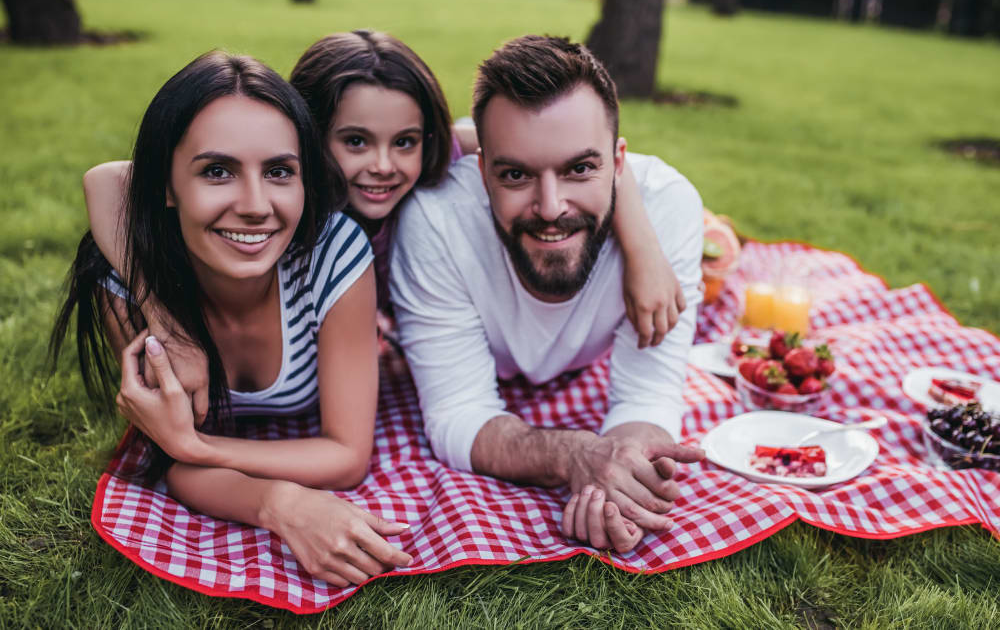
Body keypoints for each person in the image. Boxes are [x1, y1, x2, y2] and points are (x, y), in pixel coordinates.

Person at [82, 30, 686, 372]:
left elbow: (580, 156)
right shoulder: (275, 192)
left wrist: (643, 249)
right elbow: (106, 180)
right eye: (353, 142)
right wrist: (168, 328)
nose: (382, 165)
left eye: (404, 142)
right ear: (307, 136)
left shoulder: (439, 152)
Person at [50, 52, 413, 588]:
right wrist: (277, 502)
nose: (255, 204)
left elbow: (346, 455)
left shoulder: (331, 254)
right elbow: (168, 461)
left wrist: (197, 446)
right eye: (217, 171)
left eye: (278, 171)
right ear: (165, 186)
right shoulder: (124, 284)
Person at [389, 35, 706, 554]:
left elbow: (647, 393)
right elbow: (458, 413)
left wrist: (616, 480)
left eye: (580, 168)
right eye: (516, 174)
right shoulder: (434, 217)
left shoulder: (667, 208)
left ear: (619, 163)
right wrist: (572, 455)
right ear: (481, 168)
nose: (551, 206)